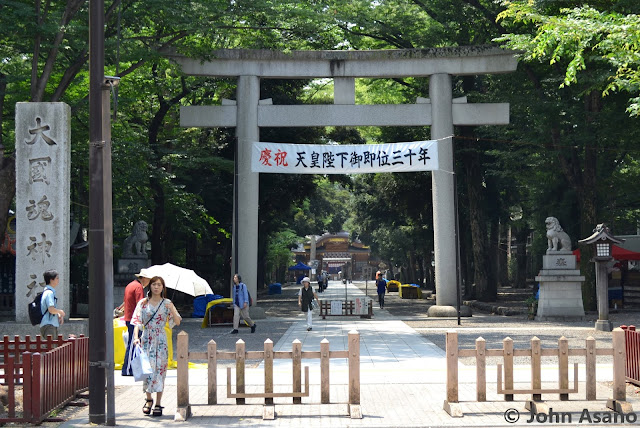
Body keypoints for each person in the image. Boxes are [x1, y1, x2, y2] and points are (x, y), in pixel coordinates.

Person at [131, 276, 182, 417]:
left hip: (161, 340)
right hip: (146, 339)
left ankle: (158, 402)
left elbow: (177, 322)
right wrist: (136, 338)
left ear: (163, 287)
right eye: (154, 284)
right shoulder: (143, 303)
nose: (156, 287)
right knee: (147, 371)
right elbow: (137, 321)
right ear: (150, 286)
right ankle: (148, 399)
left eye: (159, 285)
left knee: (160, 371)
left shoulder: (167, 303)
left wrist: (172, 308)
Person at [121, 269, 152, 376]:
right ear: (144, 278)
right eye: (149, 279)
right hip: (133, 319)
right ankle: (127, 369)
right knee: (133, 343)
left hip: (129, 317)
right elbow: (140, 304)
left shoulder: (131, 285)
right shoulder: (138, 287)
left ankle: (130, 368)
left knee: (133, 343)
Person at [40, 269, 65, 338]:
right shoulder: (49, 293)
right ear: (51, 280)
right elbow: (51, 309)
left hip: (49, 324)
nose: (58, 280)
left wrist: (58, 314)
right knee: (51, 347)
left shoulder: (47, 292)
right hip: (49, 325)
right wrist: (60, 312)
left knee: (52, 347)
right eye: (57, 278)